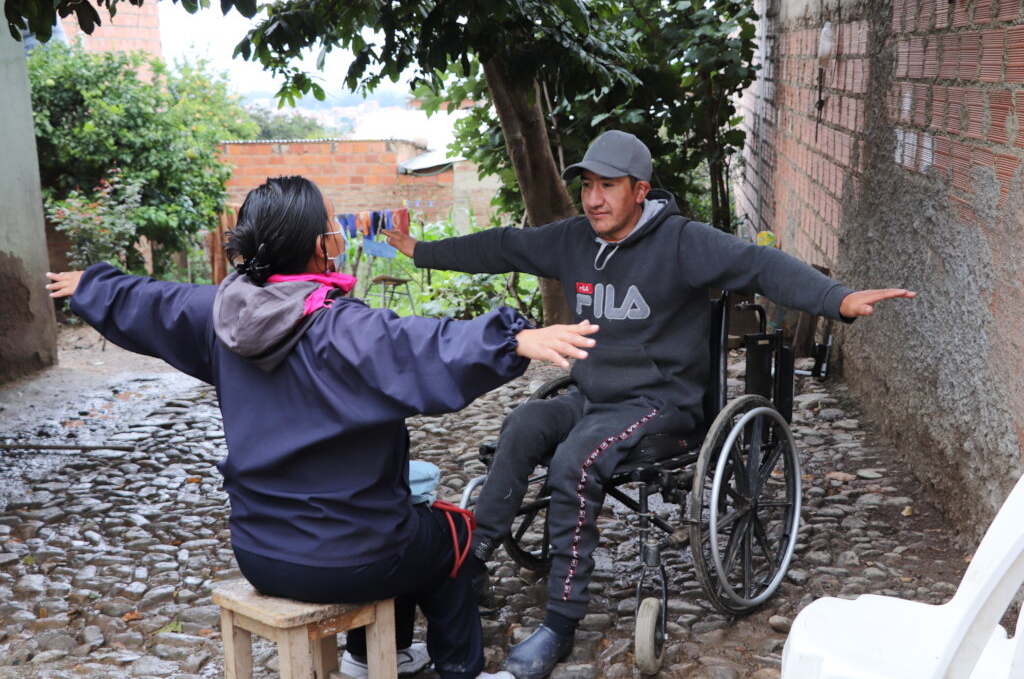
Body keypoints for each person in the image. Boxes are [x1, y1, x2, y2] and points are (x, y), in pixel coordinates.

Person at [382, 130, 916, 679]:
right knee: (522, 425)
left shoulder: (682, 242)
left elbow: (761, 264)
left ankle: (560, 623)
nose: (593, 199)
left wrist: (838, 300)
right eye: (588, 185)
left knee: (576, 461)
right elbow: (503, 246)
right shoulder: (573, 240)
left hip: (662, 404)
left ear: (639, 190)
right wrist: (420, 251)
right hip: (592, 395)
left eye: (607, 186)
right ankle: (472, 562)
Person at [45, 175, 601, 679]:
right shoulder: (343, 330)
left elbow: (151, 301)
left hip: (259, 551)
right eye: (332, 227)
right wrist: (513, 339)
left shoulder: (217, 314)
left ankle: (373, 657)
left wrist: (90, 286)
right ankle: (462, 670)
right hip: (353, 555)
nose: (337, 236)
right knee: (450, 540)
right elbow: (423, 344)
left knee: (405, 520)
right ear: (318, 246)